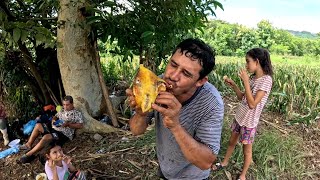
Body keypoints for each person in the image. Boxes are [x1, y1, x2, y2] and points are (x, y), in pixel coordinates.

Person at [126, 38, 224, 179]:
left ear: (200, 81)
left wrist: (175, 125)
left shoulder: (211, 103)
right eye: (173, 64)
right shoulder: (157, 85)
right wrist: (141, 113)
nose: (172, 76)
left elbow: (206, 162)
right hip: (166, 167)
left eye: (186, 73)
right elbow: (136, 131)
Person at [212, 48, 273, 180]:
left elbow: (252, 104)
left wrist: (245, 81)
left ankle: (243, 175)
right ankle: (225, 162)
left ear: (257, 61)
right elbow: (243, 97)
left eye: (248, 61)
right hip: (240, 116)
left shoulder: (266, 80)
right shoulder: (253, 79)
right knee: (231, 141)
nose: (246, 65)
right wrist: (234, 85)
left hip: (249, 122)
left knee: (247, 150)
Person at [18, 95, 84, 164]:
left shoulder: (77, 113)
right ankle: (28, 144)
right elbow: (56, 116)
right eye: (64, 104)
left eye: (67, 105)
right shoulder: (62, 110)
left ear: (72, 104)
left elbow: (80, 125)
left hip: (63, 134)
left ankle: (29, 154)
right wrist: (53, 120)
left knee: (46, 137)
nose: (65, 107)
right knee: (38, 125)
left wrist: (68, 125)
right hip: (55, 128)